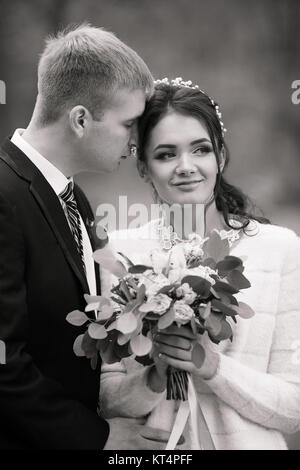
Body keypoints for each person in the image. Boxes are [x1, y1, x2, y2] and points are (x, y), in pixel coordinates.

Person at [100, 77, 300, 450]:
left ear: (220, 157)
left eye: (201, 149)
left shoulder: (280, 250)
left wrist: (213, 366)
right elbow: (107, 398)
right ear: (143, 168)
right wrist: (154, 376)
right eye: (166, 154)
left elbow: (294, 408)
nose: (186, 166)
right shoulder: (119, 253)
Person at [0, 23, 170, 450]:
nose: (136, 142)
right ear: (80, 119)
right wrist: (99, 439)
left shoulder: (75, 200)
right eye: (129, 124)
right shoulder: (3, 195)